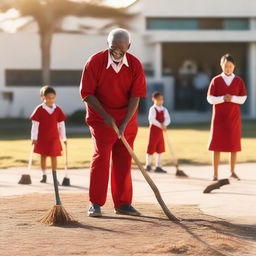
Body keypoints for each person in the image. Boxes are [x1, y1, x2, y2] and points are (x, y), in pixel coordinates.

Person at [80, 28, 146, 217]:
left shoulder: (134, 64)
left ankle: (123, 203)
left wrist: (125, 123)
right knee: (102, 158)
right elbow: (87, 93)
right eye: (113, 47)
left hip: (127, 117)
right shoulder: (95, 62)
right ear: (107, 44)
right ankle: (96, 203)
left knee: (124, 159)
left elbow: (136, 96)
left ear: (129, 46)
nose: (116, 51)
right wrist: (105, 116)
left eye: (121, 48)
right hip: (100, 117)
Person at [207, 54, 247, 181]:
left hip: (234, 118)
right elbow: (209, 98)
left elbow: (243, 98)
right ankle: (215, 173)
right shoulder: (216, 80)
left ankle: (232, 171)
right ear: (221, 65)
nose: (228, 69)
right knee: (216, 145)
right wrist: (222, 98)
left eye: (230, 66)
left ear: (234, 66)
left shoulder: (239, 81)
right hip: (219, 118)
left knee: (234, 145)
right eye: (226, 66)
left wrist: (233, 98)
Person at [30, 86, 67, 183]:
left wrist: (64, 138)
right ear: (43, 97)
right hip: (42, 138)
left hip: (54, 138)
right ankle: (44, 175)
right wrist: (34, 138)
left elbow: (61, 125)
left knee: (54, 156)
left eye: (53, 98)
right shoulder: (39, 109)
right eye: (48, 98)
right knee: (43, 156)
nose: (51, 100)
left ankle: (55, 177)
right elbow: (35, 126)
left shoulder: (57, 110)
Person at [145, 91, 170, 173]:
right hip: (154, 131)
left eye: (161, 99)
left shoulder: (164, 109)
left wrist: (165, 124)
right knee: (151, 146)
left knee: (160, 147)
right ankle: (148, 164)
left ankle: (158, 165)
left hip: (160, 132)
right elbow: (152, 119)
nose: (160, 101)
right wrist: (161, 125)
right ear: (153, 99)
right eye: (158, 99)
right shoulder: (153, 109)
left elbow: (168, 119)